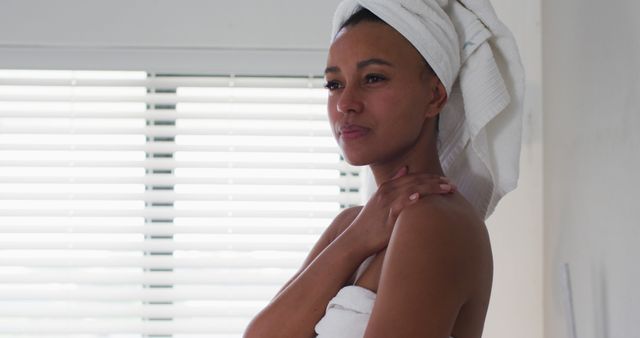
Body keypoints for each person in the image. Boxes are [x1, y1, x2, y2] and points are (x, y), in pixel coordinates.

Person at [244, 0, 524, 337]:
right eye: (334, 84)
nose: (346, 103)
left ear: (434, 96)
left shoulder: (434, 220)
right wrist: (356, 239)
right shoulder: (353, 225)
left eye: (373, 78)